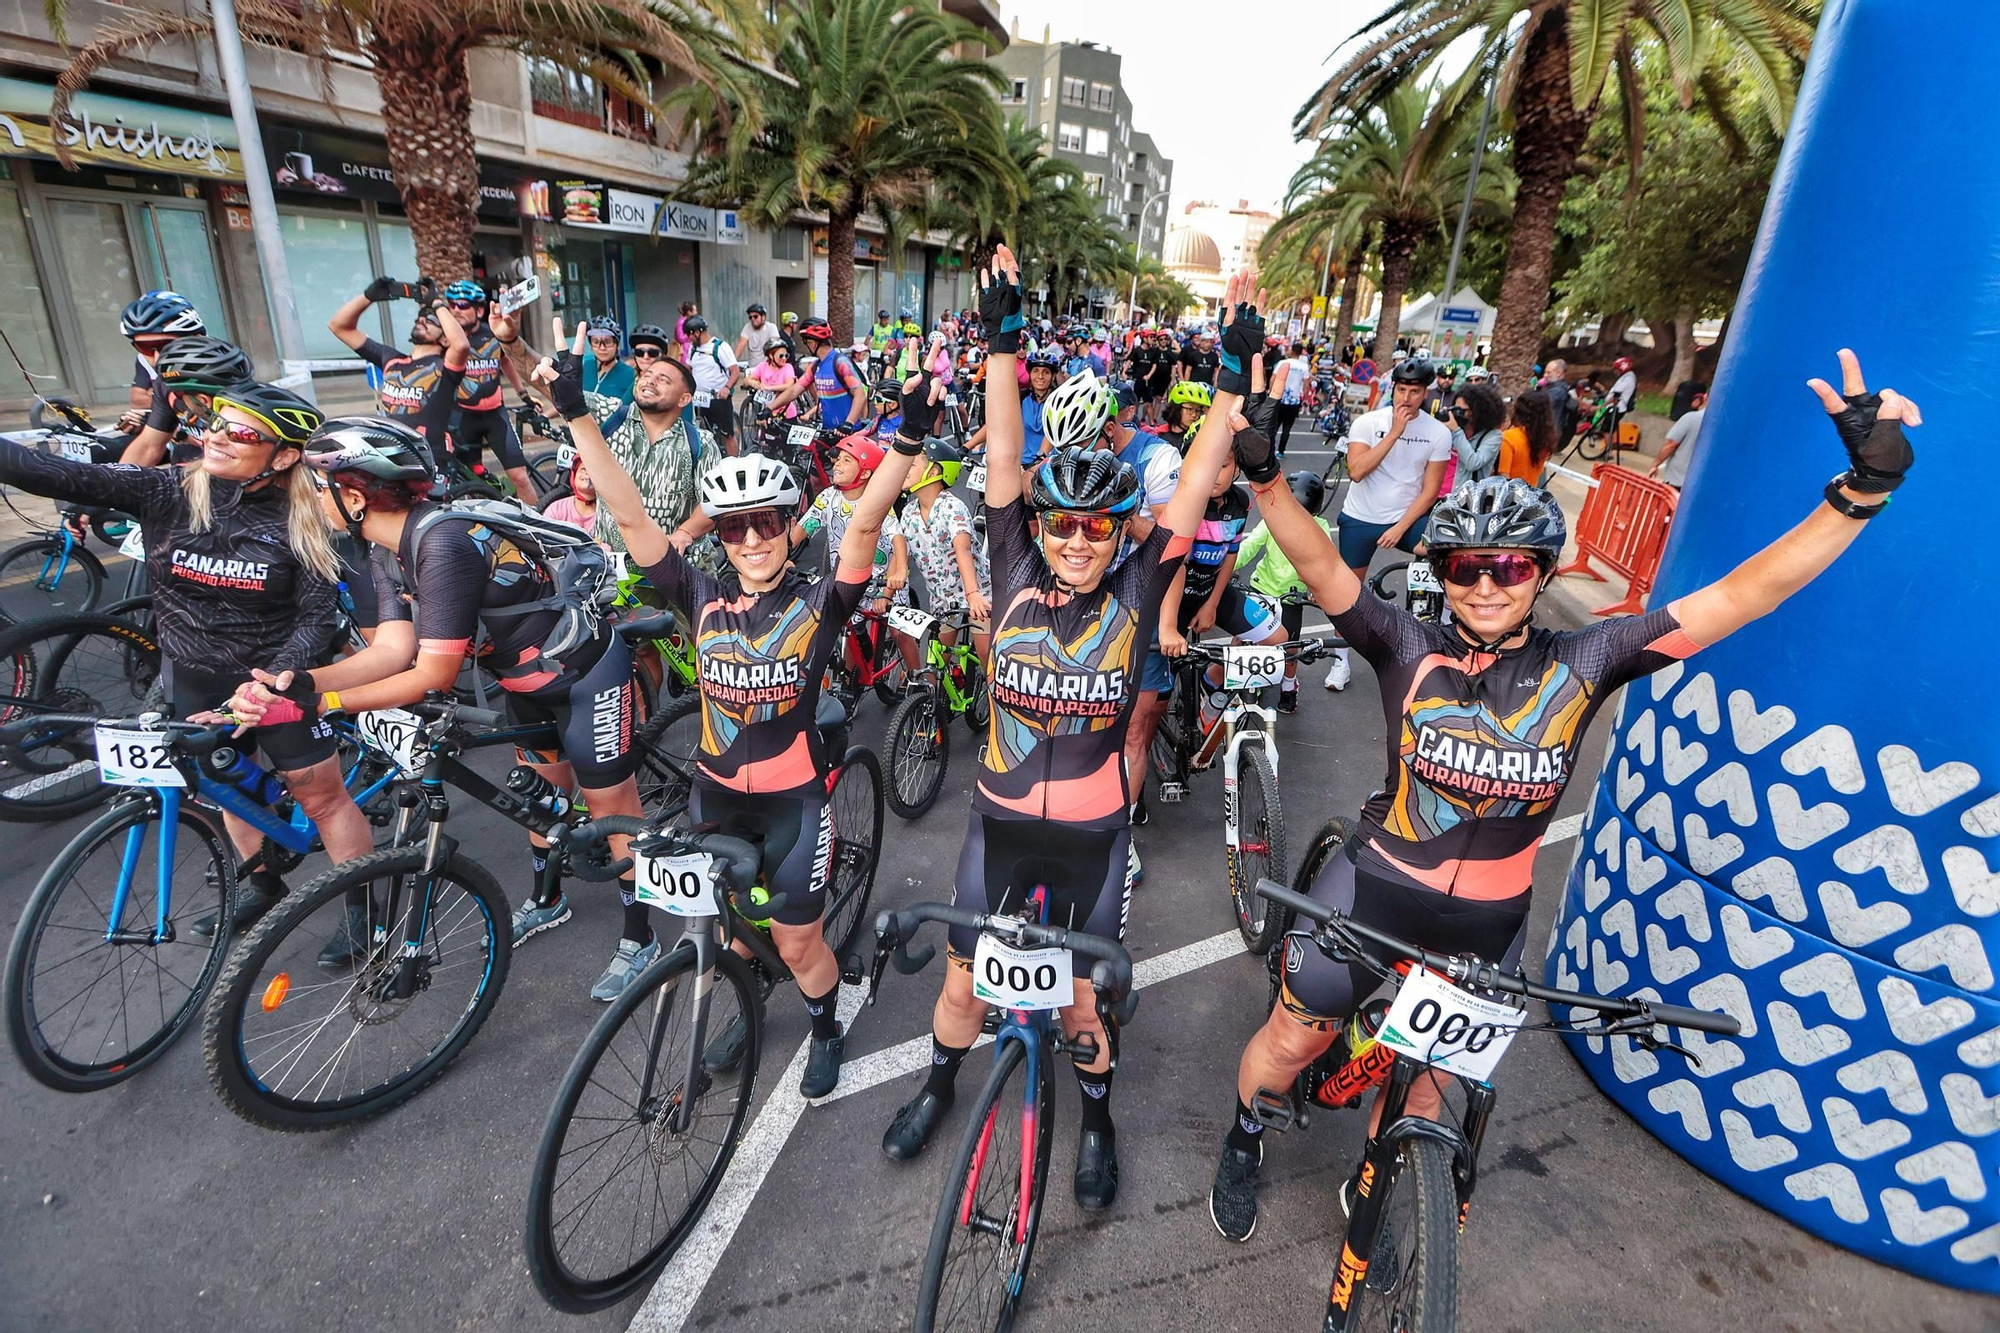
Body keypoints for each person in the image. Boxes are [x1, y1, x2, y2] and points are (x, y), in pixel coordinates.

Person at [1208, 351, 1920, 1241]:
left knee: (1429, 1090)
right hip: (1373, 892)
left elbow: (1745, 595)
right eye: (1466, 566)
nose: (1484, 584)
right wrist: (1268, 478)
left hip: (1486, 931)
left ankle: (1388, 1183)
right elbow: (1317, 566)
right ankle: (1243, 1138)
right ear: (1443, 571)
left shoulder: (1586, 661)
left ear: (1541, 573)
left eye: (1509, 567)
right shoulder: (1402, 642)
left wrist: (1860, 491)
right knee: (1290, 1043)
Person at [879, 247, 1256, 1214]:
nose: (1079, 540)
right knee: (964, 993)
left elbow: (1192, 489)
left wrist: (1228, 384)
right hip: (996, 826)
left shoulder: (1135, 589)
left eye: (1099, 526)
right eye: (1062, 525)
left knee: (1084, 1006)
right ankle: (936, 1082)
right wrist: (1001, 344)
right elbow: (1004, 459)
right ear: (1038, 528)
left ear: (1120, 532)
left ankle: (1097, 1121)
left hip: (1093, 840)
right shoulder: (1010, 571)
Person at [544, 318, 927, 1096]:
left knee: (795, 940)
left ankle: (824, 1024)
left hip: (792, 803)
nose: (752, 538)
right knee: (722, 924)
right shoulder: (699, 594)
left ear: (789, 525)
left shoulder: (821, 603)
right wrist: (578, 415)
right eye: (734, 527)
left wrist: (908, 440)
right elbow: (630, 516)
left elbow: (862, 522)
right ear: (718, 535)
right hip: (714, 791)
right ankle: (741, 987)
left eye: (766, 523)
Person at [241, 411, 651, 997]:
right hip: (522, 680)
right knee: (540, 794)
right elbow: (391, 650)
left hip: (586, 674)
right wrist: (300, 681)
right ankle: (547, 899)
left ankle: (640, 938)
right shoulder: (389, 550)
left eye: (317, 485)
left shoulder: (443, 543)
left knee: (611, 805)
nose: (310, 498)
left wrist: (325, 703)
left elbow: (433, 673)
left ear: (354, 494)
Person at [0, 383, 375, 952]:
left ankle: (364, 906)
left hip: (273, 679)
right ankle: (261, 883)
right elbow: (49, 474)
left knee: (319, 796)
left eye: (244, 432)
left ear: (285, 456)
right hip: (191, 670)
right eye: (219, 421)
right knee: (223, 785)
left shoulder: (303, 520)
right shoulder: (167, 491)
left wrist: (279, 679)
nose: (219, 436)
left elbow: (316, 619)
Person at [1322, 358, 1453, 690]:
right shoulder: (1368, 422)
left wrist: (1399, 527)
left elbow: (1430, 491)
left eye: (1414, 391)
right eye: (1401, 390)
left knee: (1451, 558)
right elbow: (1356, 471)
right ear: (1393, 388)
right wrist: (1395, 432)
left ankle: (1449, 636)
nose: (1406, 398)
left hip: (1406, 518)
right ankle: (1341, 663)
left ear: (1426, 393)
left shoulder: (1437, 432)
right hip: (1361, 518)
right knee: (1347, 594)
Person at [327, 279, 470, 472]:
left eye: (431, 320)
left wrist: (437, 303)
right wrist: (368, 297)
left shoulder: (445, 367)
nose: (422, 320)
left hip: (429, 461)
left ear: (445, 338)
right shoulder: (391, 359)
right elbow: (339, 326)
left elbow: (461, 345)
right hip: (390, 457)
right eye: (420, 318)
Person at [1234, 471, 1336, 713]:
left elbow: (1324, 560)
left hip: (1292, 596)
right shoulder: (1272, 521)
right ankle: (1239, 677)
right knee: (1241, 636)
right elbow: (1249, 547)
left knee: (1291, 646)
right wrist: (1226, 564)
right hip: (1262, 587)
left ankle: (1288, 686)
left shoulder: (1320, 528)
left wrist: (1316, 588)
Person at [441, 280, 537, 499]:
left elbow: (506, 362)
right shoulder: (445, 340)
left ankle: (540, 526)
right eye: (452, 305)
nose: (456, 310)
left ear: (479, 309)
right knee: (470, 481)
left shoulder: (493, 333)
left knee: (520, 477)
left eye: (463, 304)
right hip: (463, 416)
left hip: (496, 416)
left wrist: (523, 393)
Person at [894, 451, 992, 663]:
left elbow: (962, 551)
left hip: (977, 592)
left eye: (911, 464)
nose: (904, 469)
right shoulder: (909, 512)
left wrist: (973, 594)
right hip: (942, 599)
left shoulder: (952, 507)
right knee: (936, 662)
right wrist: (887, 591)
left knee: (987, 656)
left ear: (933, 472)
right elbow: (902, 552)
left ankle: (994, 695)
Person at [119, 334, 254, 467]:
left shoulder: (247, 428)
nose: (155, 359)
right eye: (145, 348)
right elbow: (148, 447)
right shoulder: (167, 388)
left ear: (203, 400)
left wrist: (178, 433)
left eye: (178, 394)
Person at [117, 291, 206, 433]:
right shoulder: (163, 384)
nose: (158, 359)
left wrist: (177, 432)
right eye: (144, 347)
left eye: (167, 346)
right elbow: (137, 402)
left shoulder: (220, 371)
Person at [769, 322, 867, 429]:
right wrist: (769, 408)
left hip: (848, 431)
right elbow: (794, 391)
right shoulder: (815, 366)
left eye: (806, 343)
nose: (806, 347)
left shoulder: (840, 363)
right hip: (828, 432)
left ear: (813, 343)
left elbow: (860, 394)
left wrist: (849, 423)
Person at [681, 315, 743, 453]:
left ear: (697, 332)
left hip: (718, 398)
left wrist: (727, 388)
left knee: (727, 434)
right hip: (699, 398)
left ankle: (735, 463)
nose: (688, 338)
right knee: (700, 432)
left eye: (689, 335)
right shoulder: (693, 348)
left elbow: (735, 371)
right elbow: (688, 369)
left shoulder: (720, 347)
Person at [1445, 381, 1505, 484]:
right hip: (1438, 492)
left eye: (1461, 410)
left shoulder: (1493, 436)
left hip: (1462, 495)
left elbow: (1473, 463)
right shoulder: (1453, 427)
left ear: (1477, 411)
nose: (1457, 414)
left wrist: (1456, 431)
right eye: (1455, 409)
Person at [1499, 384, 1560, 483]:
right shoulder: (1546, 438)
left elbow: (1503, 474)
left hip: (1510, 495)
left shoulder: (1508, 438)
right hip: (1530, 494)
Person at [1651, 390, 1708, 488]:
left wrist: (1655, 464)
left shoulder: (1691, 418)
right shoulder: (1727, 426)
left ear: (1705, 396)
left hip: (1679, 479)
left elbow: (1671, 444)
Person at [1267, 341, 1311, 454]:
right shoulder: (1304, 366)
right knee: (1287, 427)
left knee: (1275, 425)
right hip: (1294, 400)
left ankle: (1269, 449)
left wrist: (1271, 392)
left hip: (1280, 397)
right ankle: (1281, 451)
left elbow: (1273, 378)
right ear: (1301, 353)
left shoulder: (1283, 363)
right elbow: (1306, 385)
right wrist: (1305, 398)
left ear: (1291, 351)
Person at [581, 316, 636, 404]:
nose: (602, 348)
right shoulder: (586, 366)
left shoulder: (630, 374)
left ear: (617, 345)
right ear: (591, 346)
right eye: (596, 342)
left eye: (607, 342)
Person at [746, 340, 801, 423]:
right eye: (781, 356)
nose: (784, 358)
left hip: (785, 414)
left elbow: (789, 385)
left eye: (786, 356)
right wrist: (753, 382)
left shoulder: (788, 367)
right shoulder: (762, 366)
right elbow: (746, 381)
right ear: (771, 356)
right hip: (766, 414)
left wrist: (769, 387)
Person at [542, 458, 598, 533]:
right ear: (573, 477)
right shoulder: (556, 510)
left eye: (593, 470)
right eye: (583, 469)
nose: (587, 472)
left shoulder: (609, 516)